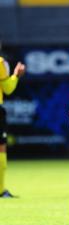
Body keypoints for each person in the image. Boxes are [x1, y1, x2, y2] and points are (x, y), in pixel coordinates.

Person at [0, 54, 26, 198]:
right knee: (0, 150)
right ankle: (0, 190)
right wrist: (16, 75)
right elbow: (7, 88)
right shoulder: (0, 62)